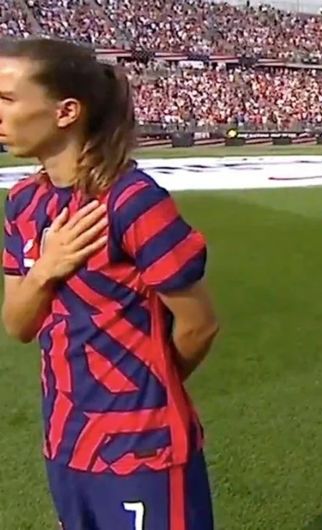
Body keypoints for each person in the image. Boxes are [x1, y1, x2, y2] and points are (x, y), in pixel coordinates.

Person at [0, 38, 218, 529]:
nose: (0, 112)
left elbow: (198, 325)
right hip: (66, 445)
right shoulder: (23, 203)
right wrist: (46, 268)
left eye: (9, 99)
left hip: (142, 452)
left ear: (66, 112)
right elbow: (17, 323)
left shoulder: (132, 201)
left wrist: (140, 394)